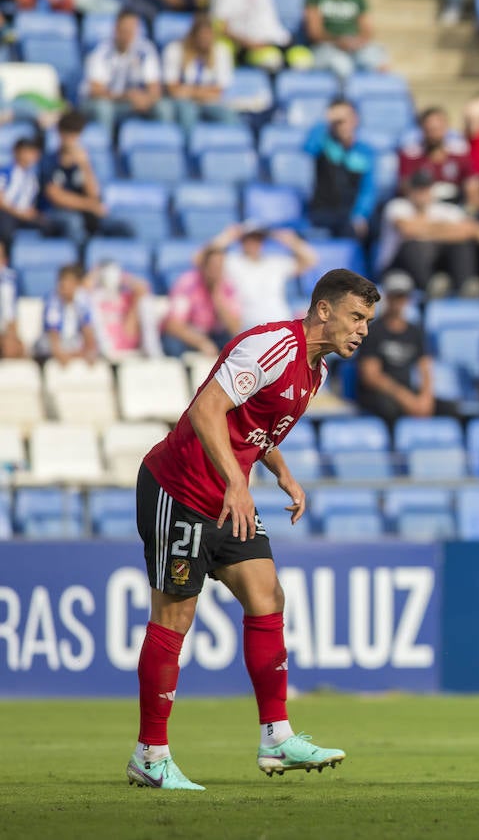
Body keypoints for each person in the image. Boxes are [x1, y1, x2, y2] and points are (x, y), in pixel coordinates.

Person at [125, 269, 378, 791]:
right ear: (324, 310)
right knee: (174, 618)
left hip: (225, 495)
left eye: (368, 322)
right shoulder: (271, 347)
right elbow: (207, 410)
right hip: (181, 489)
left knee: (268, 597)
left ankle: (276, 736)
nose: (363, 331)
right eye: (357, 317)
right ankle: (150, 755)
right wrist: (237, 485)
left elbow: (253, 427)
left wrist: (281, 472)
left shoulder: (316, 373)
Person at [354, 271, 445, 426]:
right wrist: (405, 398)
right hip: (381, 393)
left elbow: (425, 368)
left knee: (449, 409)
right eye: (395, 295)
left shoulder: (415, 331)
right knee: (389, 409)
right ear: (387, 297)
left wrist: (426, 397)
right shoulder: (373, 331)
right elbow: (371, 376)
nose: (399, 300)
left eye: (402, 296)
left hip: (407, 390)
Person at [376, 170, 475, 294]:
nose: (421, 193)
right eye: (418, 189)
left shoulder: (443, 209)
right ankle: (429, 287)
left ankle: (464, 286)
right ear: (409, 190)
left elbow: (468, 231)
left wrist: (424, 229)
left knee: (462, 245)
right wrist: (445, 228)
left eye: (425, 189)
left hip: (431, 262)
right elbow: (408, 230)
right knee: (413, 246)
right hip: (396, 266)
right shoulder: (397, 206)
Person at [41, 111, 131, 246]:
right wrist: (89, 205)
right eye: (68, 134)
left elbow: (94, 194)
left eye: (75, 135)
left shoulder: (84, 162)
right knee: (74, 223)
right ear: (60, 134)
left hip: (85, 211)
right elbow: (56, 197)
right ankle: (82, 262)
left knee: (123, 227)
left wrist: (85, 165)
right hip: (54, 213)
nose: (72, 140)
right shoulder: (49, 161)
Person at [82, 9, 174, 137]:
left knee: (164, 108)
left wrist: (146, 99)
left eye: (131, 30)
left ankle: (163, 147)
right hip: (110, 102)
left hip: (136, 102)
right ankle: (106, 148)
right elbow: (96, 91)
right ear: (116, 29)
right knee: (103, 109)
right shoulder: (101, 52)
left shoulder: (145, 50)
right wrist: (126, 96)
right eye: (124, 30)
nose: (128, 34)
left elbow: (155, 88)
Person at [215, 223, 317, 331]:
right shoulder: (232, 262)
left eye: (258, 239)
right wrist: (226, 237)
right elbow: (201, 260)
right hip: (247, 325)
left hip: (280, 322)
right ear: (242, 240)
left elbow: (311, 260)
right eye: (250, 238)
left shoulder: (275, 262)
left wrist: (290, 240)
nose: (254, 243)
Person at [304, 100, 375, 240]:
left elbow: (368, 189)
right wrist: (324, 122)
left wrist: (360, 215)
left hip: (350, 215)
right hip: (322, 212)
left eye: (345, 119)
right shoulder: (323, 144)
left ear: (355, 119)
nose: (342, 126)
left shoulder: (365, 151)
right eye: (337, 122)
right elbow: (308, 147)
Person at [163, 13, 238, 135]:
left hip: (210, 102)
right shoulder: (175, 50)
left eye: (208, 36)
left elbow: (219, 91)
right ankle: (188, 150)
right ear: (193, 36)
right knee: (187, 112)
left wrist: (190, 91)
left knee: (229, 116)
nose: (205, 40)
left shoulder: (221, 51)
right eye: (201, 36)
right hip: (184, 103)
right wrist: (202, 92)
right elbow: (173, 89)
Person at [162, 244, 241, 357]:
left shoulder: (227, 287)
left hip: (214, 334)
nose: (216, 271)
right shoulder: (187, 284)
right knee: (172, 345)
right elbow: (174, 325)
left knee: (236, 346)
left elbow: (235, 328)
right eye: (213, 266)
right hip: (189, 334)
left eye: (220, 267)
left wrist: (217, 296)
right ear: (204, 266)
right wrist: (202, 343)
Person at [396, 107, 471, 204]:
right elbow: (405, 185)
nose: (434, 135)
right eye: (430, 130)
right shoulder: (411, 154)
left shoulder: (459, 152)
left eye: (437, 129)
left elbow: (471, 181)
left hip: (454, 204)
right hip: (420, 205)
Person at [305, 0, 388, 79]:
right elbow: (314, 32)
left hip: (355, 46)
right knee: (342, 65)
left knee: (376, 59)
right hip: (327, 47)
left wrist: (354, 43)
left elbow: (367, 30)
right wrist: (338, 41)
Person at [34, 264, 99, 364]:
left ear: (77, 284)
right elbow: (53, 334)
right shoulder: (53, 301)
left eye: (69, 281)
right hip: (53, 346)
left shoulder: (83, 301)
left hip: (73, 344)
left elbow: (88, 330)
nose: (64, 284)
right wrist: (61, 354)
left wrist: (90, 351)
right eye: (62, 281)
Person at [0, 138, 50, 252]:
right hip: (7, 213)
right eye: (27, 151)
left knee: (50, 224)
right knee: (6, 225)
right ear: (16, 152)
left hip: (25, 215)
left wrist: (31, 213)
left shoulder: (33, 177)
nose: (31, 156)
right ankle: (7, 258)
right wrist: (18, 212)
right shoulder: (5, 171)